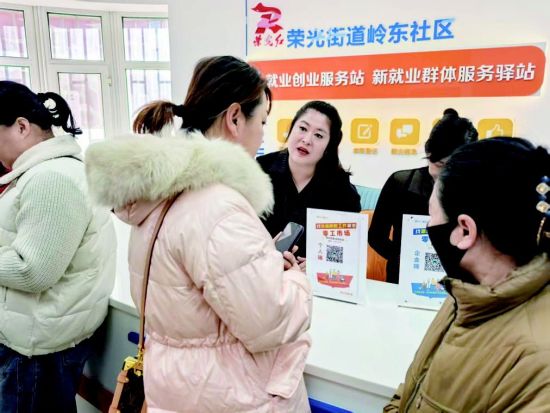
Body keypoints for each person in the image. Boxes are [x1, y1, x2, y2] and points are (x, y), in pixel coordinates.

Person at [85, 56, 312, 412]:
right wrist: (295, 279)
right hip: (228, 396)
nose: (262, 136)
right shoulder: (219, 207)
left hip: (177, 388)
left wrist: (259, 263)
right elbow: (269, 321)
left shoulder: (157, 196)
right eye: (262, 122)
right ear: (235, 117)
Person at [384, 137, 550, 412]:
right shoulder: (466, 294)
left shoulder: (538, 361)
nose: (429, 225)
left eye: (432, 215)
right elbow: (413, 390)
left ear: (464, 231)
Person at [0, 81, 116, 412]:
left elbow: (33, 270)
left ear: (22, 126)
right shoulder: (45, 172)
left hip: (36, 351)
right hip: (41, 339)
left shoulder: (51, 179)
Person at [369, 108, 478, 283]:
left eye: (454, 167)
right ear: (428, 153)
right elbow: (376, 236)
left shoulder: (475, 191)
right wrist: (404, 260)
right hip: (403, 278)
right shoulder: (401, 183)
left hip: (454, 281)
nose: (446, 174)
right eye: (440, 164)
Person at [257, 100, 361, 267]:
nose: (306, 140)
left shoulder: (342, 191)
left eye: (318, 135)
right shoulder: (259, 171)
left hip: (311, 278)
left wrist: (318, 264)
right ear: (291, 129)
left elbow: (346, 252)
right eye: (303, 128)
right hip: (261, 269)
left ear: (329, 145)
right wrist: (266, 253)